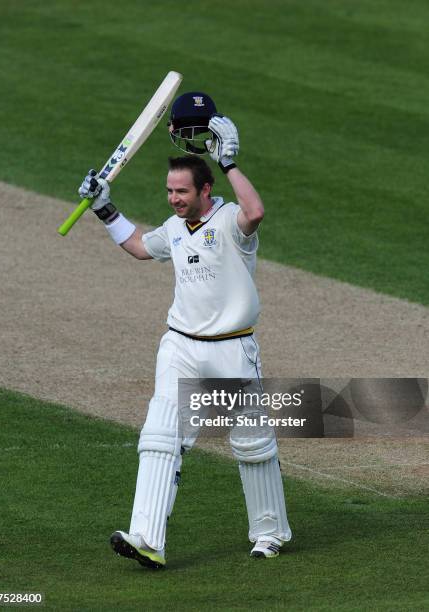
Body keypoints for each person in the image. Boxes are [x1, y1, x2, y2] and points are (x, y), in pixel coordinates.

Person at [78, 97, 291, 569]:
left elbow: (255, 211)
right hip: (180, 346)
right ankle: (147, 539)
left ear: (205, 189)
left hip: (233, 349)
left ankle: (270, 532)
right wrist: (105, 209)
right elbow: (139, 247)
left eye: (181, 191)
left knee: (252, 445)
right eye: (170, 190)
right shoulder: (174, 229)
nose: (173, 198)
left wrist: (230, 160)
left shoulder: (232, 222)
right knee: (159, 435)